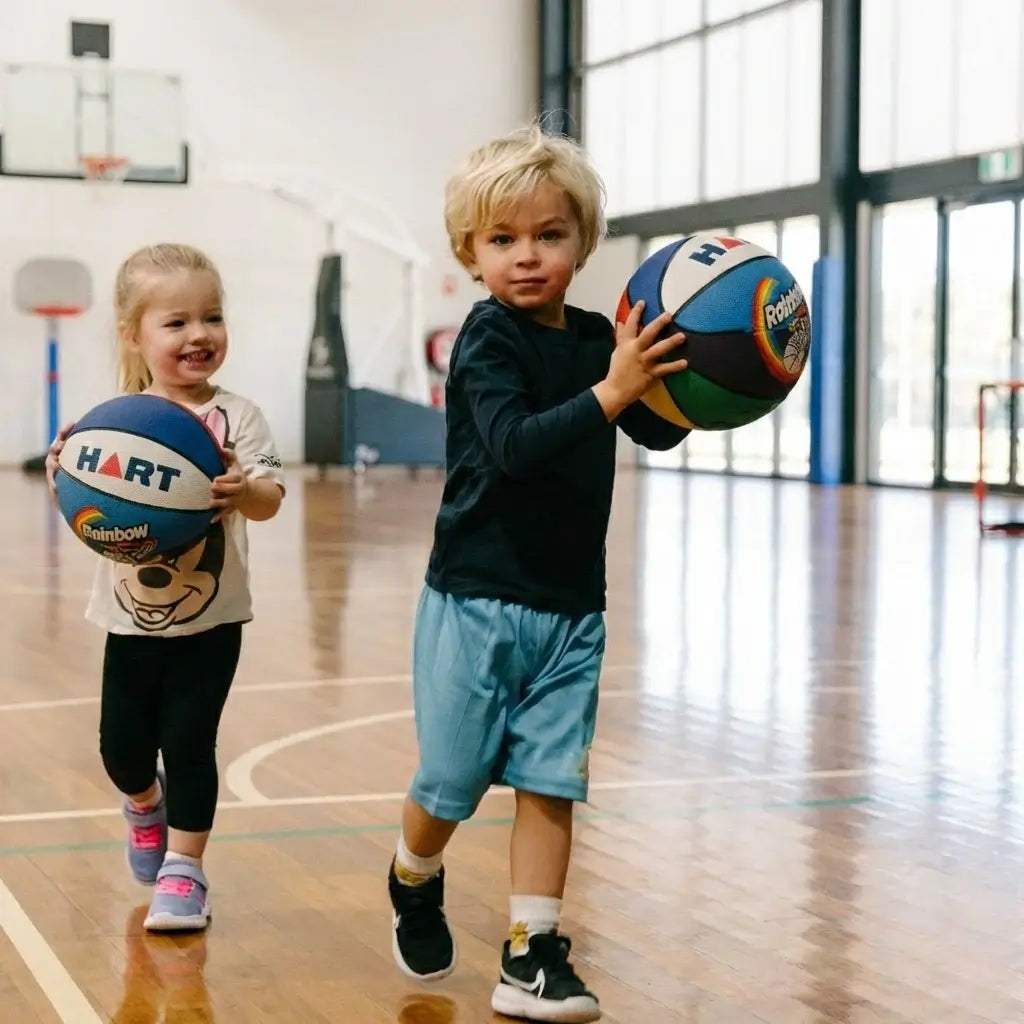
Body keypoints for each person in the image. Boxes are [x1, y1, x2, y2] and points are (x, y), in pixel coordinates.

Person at [386, 125, 690, 1022]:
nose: (527, 257)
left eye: (549, 235)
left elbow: (658, 428)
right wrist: (615, 388)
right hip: (474, 597)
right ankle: (414, 872)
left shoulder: (603, 338)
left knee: (552, 781)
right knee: (451, 782)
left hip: (569, 606)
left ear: (583, 244)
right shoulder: (484, 340)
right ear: (469, 252)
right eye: (503, 240)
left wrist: (702, 374)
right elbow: (515, 447)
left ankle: (533, 951)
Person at [46, 243, 285, 932]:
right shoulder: (114, 422)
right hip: (128, 621)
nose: (198, 335)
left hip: (213, 621)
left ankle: (185, 872)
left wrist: (246, 490)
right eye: (176, 322)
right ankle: (143, 804)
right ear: (136, 336)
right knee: (121, 749)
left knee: (189, 742)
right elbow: (85, 510)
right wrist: (69, 470)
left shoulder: (237, 418)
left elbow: (270, 498)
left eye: (211, 317)